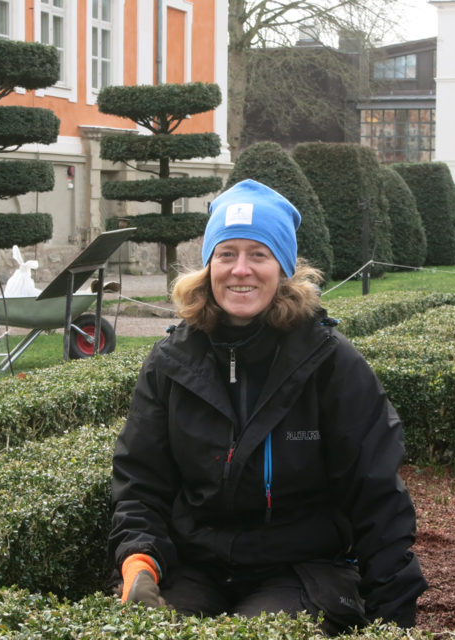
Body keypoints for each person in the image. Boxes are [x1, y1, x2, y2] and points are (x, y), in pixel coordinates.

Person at [109, 180, 426, 632]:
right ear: (208, 266)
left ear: (283, 268)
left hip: (302, 569)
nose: (241, 270)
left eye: (259, 254)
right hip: (197, 565)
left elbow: (376, 494)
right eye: (227, 253)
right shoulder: (169, 361)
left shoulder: (331, 363)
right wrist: (139, 560)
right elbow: (141, 479)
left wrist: (392, 620)